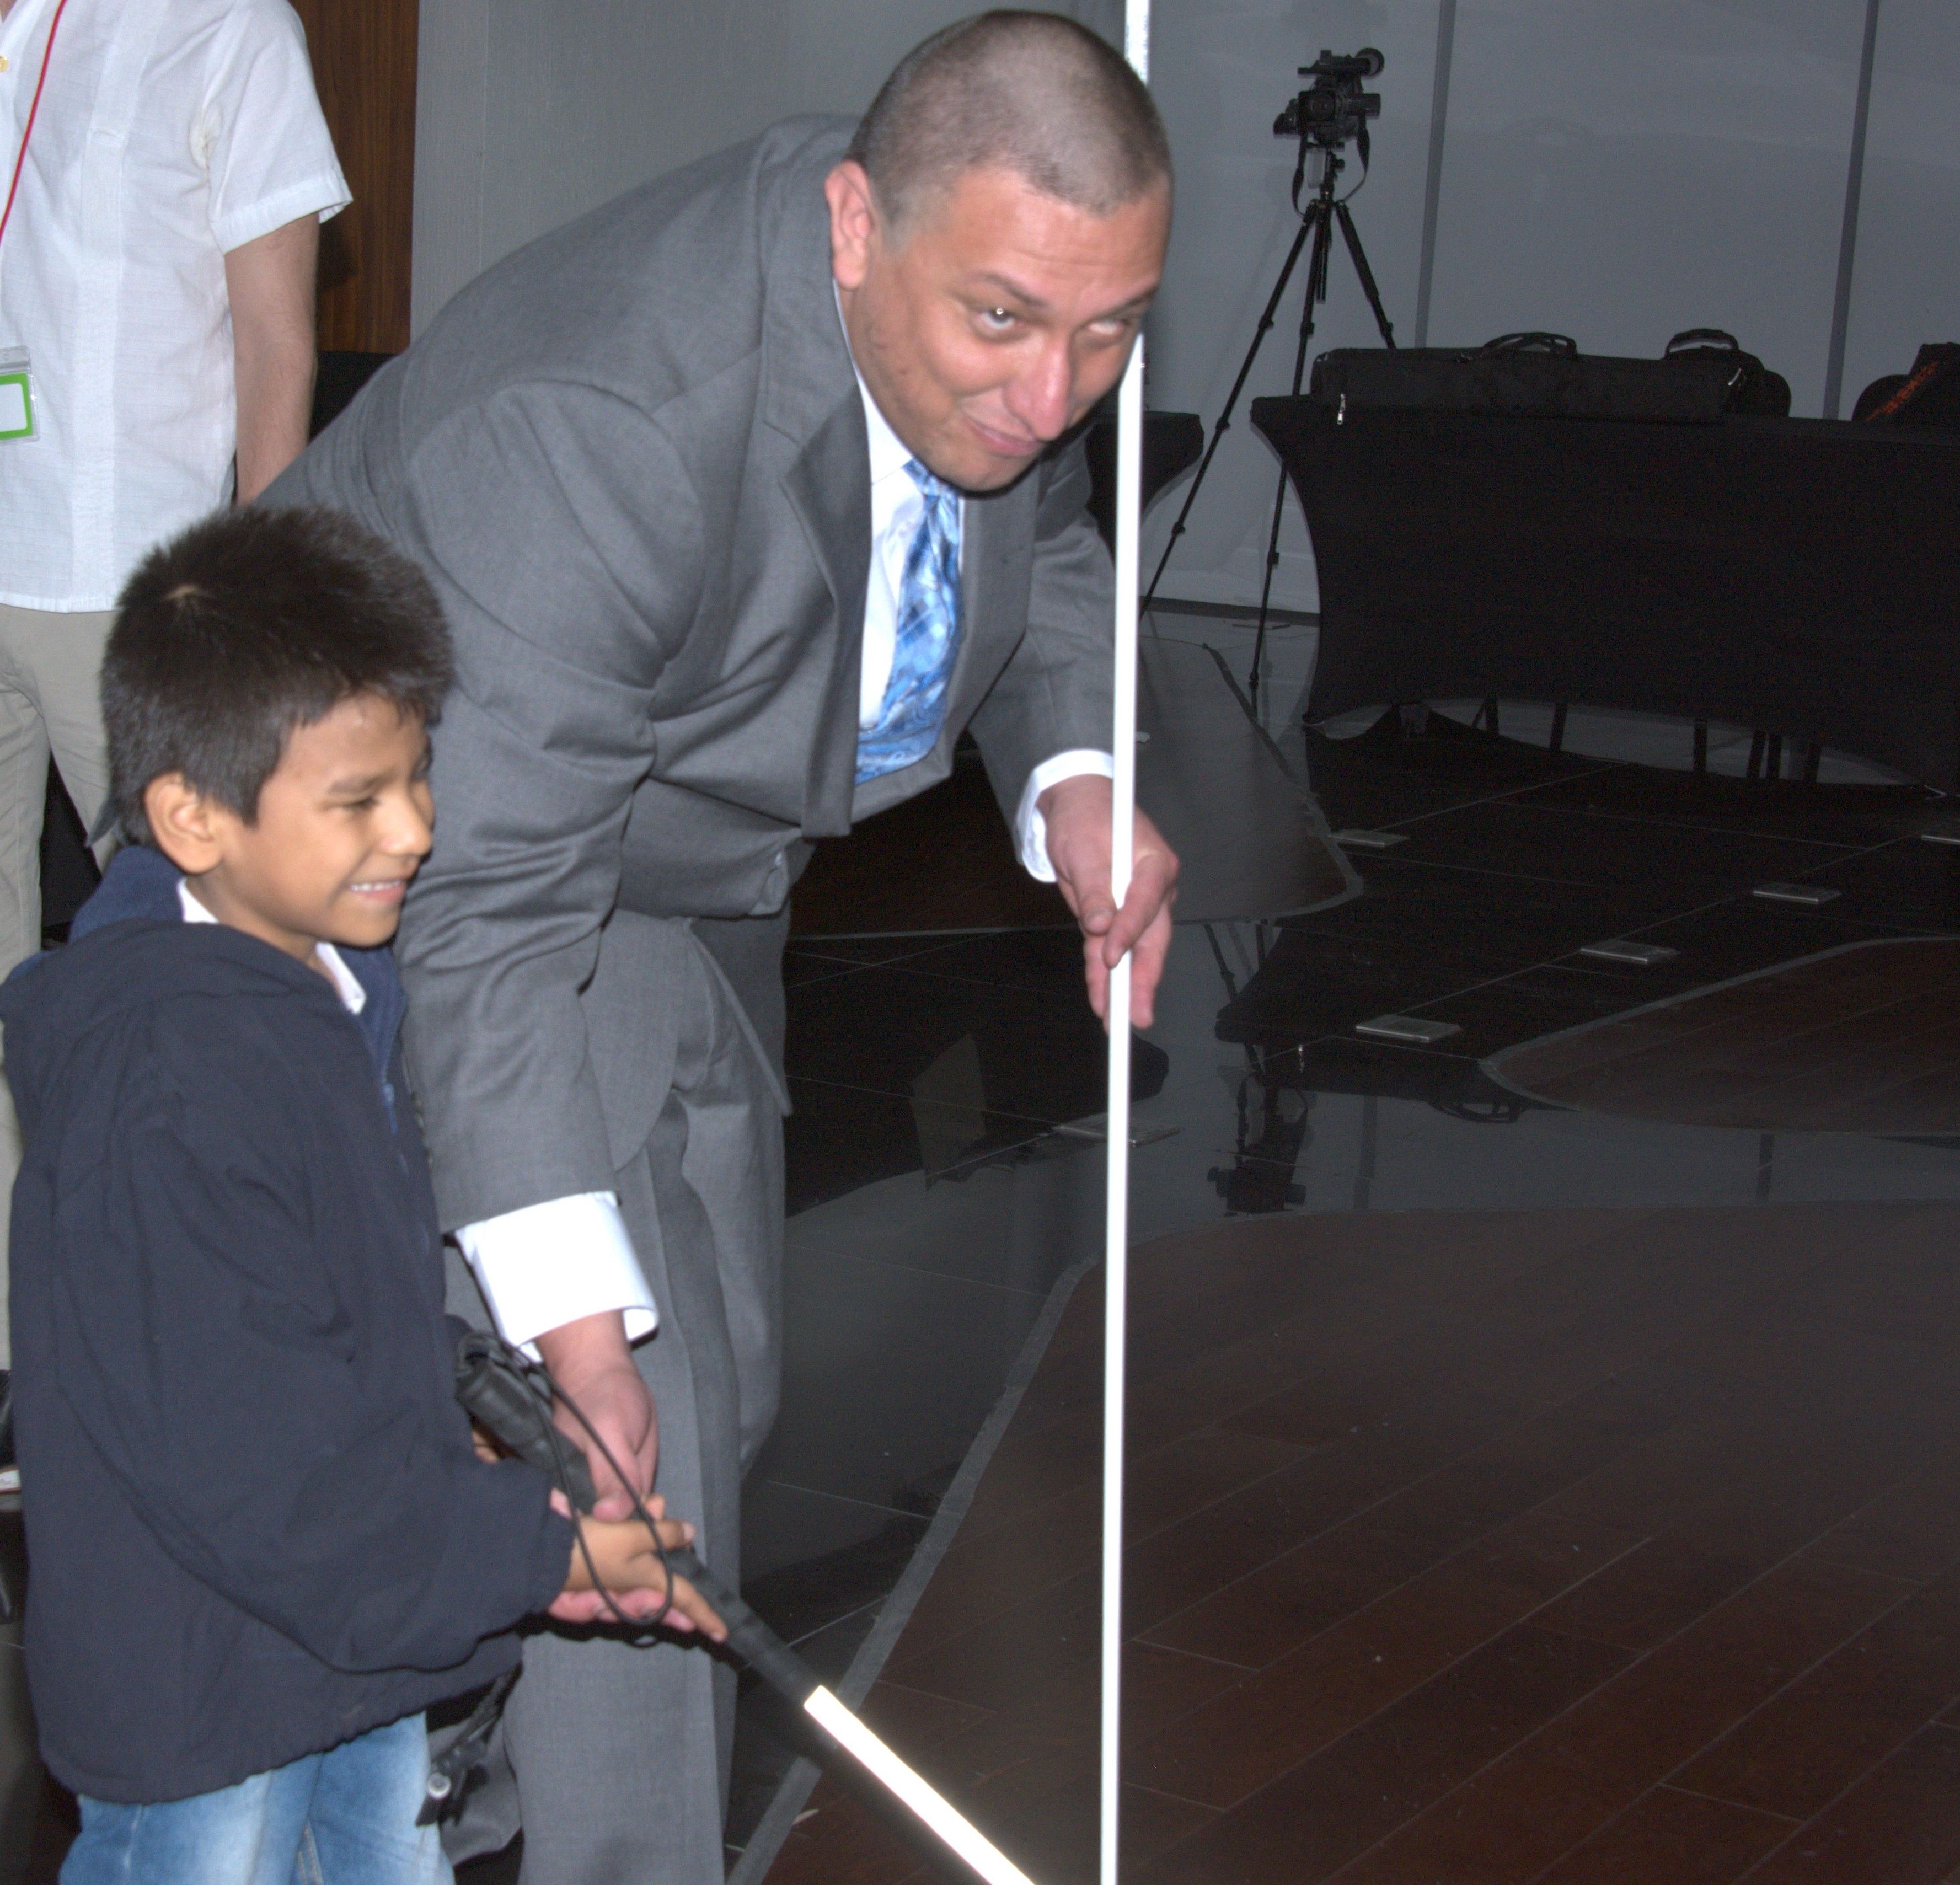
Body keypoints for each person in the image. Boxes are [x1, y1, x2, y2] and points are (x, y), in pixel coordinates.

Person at [264, 11, 1177, 1881]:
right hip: (416, 848)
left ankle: (411, 1742)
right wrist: (572, 1324)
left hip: (677, 850)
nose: (1053, 389)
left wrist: (1073, 763)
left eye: (1110, 332)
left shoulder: (983, 328)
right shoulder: (605, 414)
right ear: (854, 222)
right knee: (636, 1449)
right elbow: (494, 907)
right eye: (1005, 319)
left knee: (723, 1374)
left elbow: (1048, 520)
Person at [0, 506, 725, 1885]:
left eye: (418, 777)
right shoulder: (166, 1091)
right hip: (208, 1687)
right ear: (191, 815)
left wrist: (461, 1382)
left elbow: (323, 1282)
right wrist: (538, 1551)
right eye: (358, 799)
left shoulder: (320, 977)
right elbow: (256, 1453)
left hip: (349, 1638)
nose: (417, 829)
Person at [0, 0, 350, 1365]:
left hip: (129, 592)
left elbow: (278, 344)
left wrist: (253, 611)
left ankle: (214, 1339)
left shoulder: (225, 22)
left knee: (188, 984)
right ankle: (25, 1345)